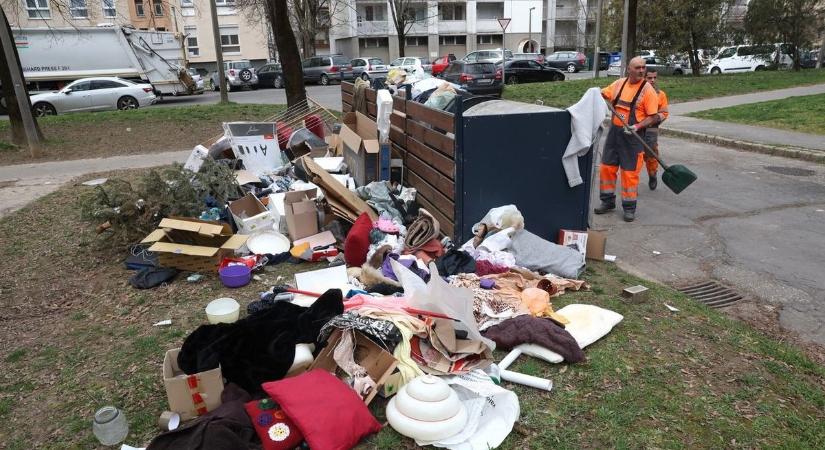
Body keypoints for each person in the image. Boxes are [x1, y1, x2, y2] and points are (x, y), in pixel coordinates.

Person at [595, 56, 660, 222]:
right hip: (614, 134)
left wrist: (637, 126)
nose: (641, 70)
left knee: (629, 174)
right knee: (606, 168)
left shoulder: (648, 91)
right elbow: (603, 93)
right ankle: (607, 201)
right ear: (628, 69)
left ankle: (629, 208)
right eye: (637, 67)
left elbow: (653, 117)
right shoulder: (619, 84)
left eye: (643, 67)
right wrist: (597, 94)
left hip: (633, 137)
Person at [642, 67, 669, 190]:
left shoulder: (660, 94)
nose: (652, 80)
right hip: (635, 128)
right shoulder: (637, 92)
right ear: (644, 78)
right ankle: (632, 180)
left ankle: (652, 174)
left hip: (651, 128)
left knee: (651, 154)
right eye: (649, 78)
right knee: (635, 155)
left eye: (654, 78)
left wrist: (654, 119)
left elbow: (664, 113)